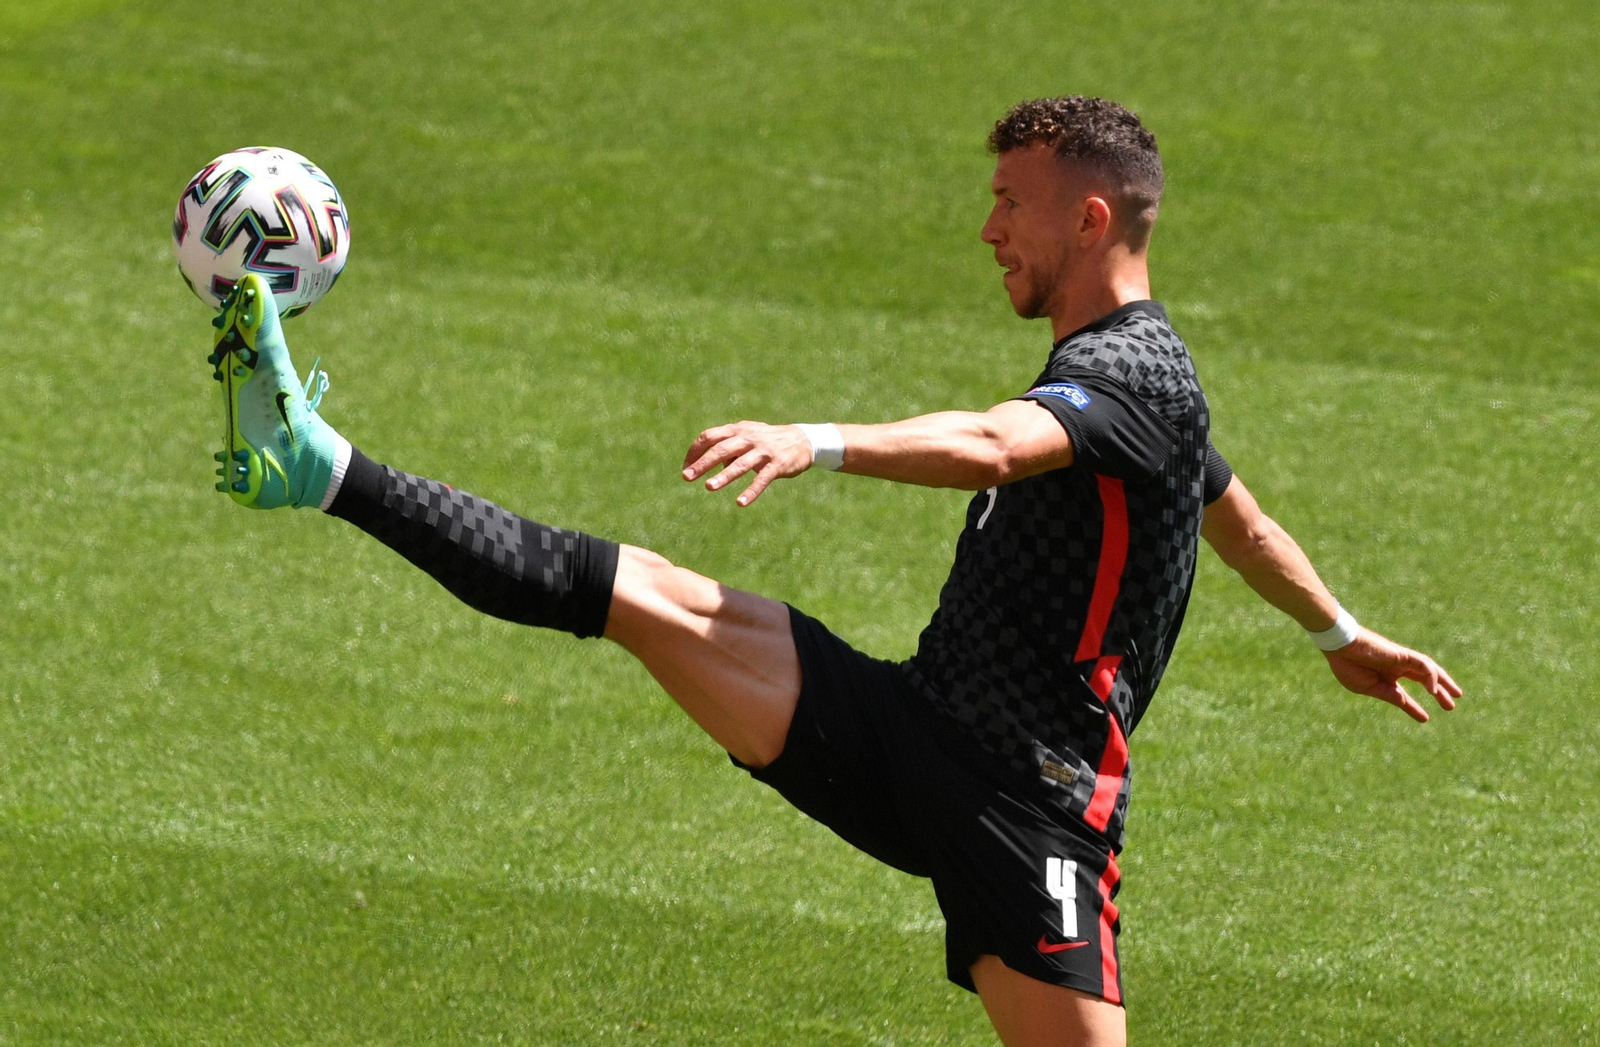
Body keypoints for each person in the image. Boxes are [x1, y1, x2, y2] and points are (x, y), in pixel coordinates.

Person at [203, 96, 1460, 1047]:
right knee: (635, 590)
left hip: (1028, 814)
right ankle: (320, 468)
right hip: (915, 729)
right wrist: (1336, 631)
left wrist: (813, 442)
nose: (987, 227)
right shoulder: (1140, 389)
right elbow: (1233, 518)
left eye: (1009, 202)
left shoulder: (1130, 381)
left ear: (1088, 219)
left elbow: (988, 447)